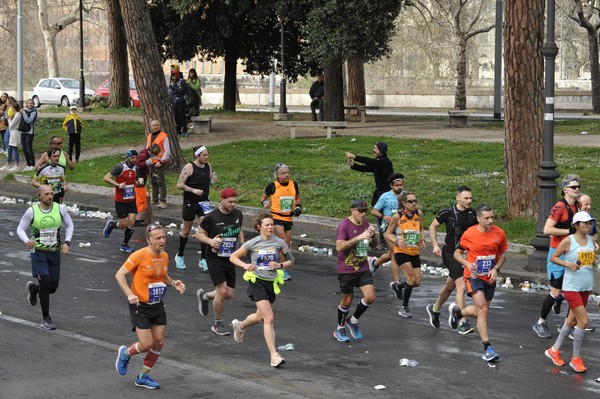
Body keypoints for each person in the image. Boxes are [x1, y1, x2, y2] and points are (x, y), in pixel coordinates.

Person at [114, 223, 186, 389]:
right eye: (158, 238)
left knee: (159, 342)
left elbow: (162, 277)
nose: (162, 241)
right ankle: (126, 354)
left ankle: (142, 376)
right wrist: (129, 294)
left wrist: (174, 283)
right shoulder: (139, 255)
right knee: (146, 344)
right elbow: (119, 275)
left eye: (164, 237)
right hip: (140, 304)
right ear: (148, 240)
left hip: (157, 304)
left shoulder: (165, 256)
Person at [229, 213, 294, 368]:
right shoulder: (253, 243)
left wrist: (279, 265)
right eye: (267, 225)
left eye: (272, 224)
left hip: (270, 283)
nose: (270, 227)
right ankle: (274, 355)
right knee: (269, 318)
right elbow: (233, 257)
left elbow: (291, 261)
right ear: (259, 227)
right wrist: (245, 266)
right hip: (256, 282)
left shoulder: (279, 242)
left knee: (259, 317)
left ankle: (240, 326)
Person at [450, 204, 508, 362]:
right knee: (482, 309)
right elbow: (457, 253)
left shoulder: (499, 233)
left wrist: (496, 268)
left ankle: (458, 313)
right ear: (478, 219)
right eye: (487, 218)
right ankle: (487, 347)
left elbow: (503, 255)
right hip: (473, 276)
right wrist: (466, 263)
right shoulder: (469, 234)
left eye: (492, 217)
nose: (491, 221)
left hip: (490, 277)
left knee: (483, 310)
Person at [544, 211, 596, 373]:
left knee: (571, 322)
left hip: (586, 286)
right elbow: (554, 258)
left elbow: (589, 260)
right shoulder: (568, 241)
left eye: (590, 223)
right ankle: (575, 358)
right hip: (571, 287)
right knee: (584, 322)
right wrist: (568, 265)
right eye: (585, 223)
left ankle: (554, 350)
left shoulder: (591, 240)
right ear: (575, 225)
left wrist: (595, 260)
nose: (589, 225)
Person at [17, 184, 74, 330]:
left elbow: (70, 225)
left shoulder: (60, 209)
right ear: (39, 196)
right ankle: (46, 318)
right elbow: (20, 229)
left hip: (54, 253)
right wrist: (27, 241)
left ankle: (34, 289)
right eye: (46, 194)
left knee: (52, 287)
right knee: (46, 281)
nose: (49, 197)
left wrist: (67, 242)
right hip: (38, 253)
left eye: (51, 194)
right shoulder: (32, 212)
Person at [533, 174, 582, 339]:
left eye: (578, 187)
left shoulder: (579, 206)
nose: (577, 190)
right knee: (556, 290)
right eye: (574, 187)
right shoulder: (559, 207)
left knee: (574, 290)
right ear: (565, 189)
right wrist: (568, 232)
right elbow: (547, 230)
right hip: (558, 254)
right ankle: (540, 322)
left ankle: (568, 325)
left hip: (573, 253)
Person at [426, 186, 478, 334]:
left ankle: (434, 309)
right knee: (461, 285)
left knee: (450, 285)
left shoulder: (473, 214)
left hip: (465, 254)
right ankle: (461, 320)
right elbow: (432, 226)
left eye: (470, 198)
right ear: (458, 198)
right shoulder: (447, 212)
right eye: (466, 198)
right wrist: (435, 245)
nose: (469, 201)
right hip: (450, 252)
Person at [194, 188, 244, 335]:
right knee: (221, 291)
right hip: (214, 258)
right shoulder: (211, 217)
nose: (233, 205)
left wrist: (242, 245)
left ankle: (205, 296)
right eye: (230, 202)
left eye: (235, 202)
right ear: (221, 200)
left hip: (230, 257)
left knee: (229, 294)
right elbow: (198, 234)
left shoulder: (238, 214)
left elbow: (238, 229)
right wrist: (210, 241)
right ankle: (217, 323)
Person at [332, 200, 377, 342]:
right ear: (352, 210)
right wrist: (359, 237)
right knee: (347, 300)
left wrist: (373, 235)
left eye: (365, 211)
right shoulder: (344, 225)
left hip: (363, 267)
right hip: (346, 269)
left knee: (370, 297)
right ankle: (339, 329)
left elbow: (374, 245)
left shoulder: (365, 224)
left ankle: (354, 320)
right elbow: (339, 247)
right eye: (360, 211)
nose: (364, 214)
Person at [384, 191, 426, 318]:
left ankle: (398, 287)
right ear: (403, 203)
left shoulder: (419, 214)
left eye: (415, 201)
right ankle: (404, 307)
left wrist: (422, 240)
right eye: (410, 201)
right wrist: (397, 240)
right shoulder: (397, 216)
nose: (414, 203)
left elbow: (421, 229)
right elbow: (388, 233)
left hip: (414, 251)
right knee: (411, 279)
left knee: (417, 282)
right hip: (401, 251)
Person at [174, 145, 216, 270]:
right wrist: (193, 190)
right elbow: (179, 184)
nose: (207, 157)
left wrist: (213, 180)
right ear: (197, 155)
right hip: (190, 202)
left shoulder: (208, 166)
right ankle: (180, 255)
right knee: (186, 231)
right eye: (204, 155)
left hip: (204, 202)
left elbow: (209, 181)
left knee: (204, 230)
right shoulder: (189, 167)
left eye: (207, 155)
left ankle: (203, 259)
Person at [346, 142, 394, 247]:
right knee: (381, 220)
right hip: (380, 195)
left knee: (384, 220)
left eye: (376, 148)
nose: (373, 150)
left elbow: (370, 162)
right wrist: (353, 165)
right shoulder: (378, 162)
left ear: (381, 150)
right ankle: (384, 243)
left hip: (386, 196)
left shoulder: (385, 162)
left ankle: (387, 243)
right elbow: (366, 168)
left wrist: (355, 156)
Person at [259, 163, 302, 281]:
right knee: (283, 242)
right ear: (277, 175)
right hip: (276, 217)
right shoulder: (273, 186)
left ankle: (273, 263)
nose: (287, 175)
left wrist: (298, 207)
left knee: (286, 245)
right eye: (283, 173)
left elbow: (298, 197)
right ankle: (282, 271)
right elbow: (262, 197)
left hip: (288, 218)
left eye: (288, 172)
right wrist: (264, 203)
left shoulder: (294, 184)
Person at [102, 150, 141, 253]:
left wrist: (138, 182)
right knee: (123, 224)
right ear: (128, 157)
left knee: (132, 222)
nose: (134, 160)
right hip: (121, 200)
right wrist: (118, 185)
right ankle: (112, 225)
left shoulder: (136, 168)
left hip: (132, 199)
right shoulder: (120, 167)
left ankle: (125, 245)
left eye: (136, 157)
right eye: (132, 157)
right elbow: (106, 178)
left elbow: (135, 180)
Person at [369, 173, 404, 279]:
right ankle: (396, 283)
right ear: (391, 186)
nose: (400, 187)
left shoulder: (405, 196)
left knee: (390, 254)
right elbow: (374, 211)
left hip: (400, 228)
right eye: (397, 185)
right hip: (388, 228)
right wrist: (383, 216)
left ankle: (374, 263)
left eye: (401, 185)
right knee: (395, 254)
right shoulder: (385, 196)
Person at [146, 120, 171, 209]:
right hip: (151, 162)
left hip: (159, 162)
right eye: (153, 125)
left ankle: (163, 201)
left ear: (159, 126)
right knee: (153, 181)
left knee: (161, 182)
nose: (155, 127)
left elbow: (167, 151)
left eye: (157, 125)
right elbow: (147, 148)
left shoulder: (164, 137)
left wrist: (161, 162)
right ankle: (155, 198)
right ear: (151, 126)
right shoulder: (149, 136)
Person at [2, 102, 22, 171]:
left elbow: (11, 126)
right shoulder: (17, 114)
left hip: (15, 132)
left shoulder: (17, 115)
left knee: (14, 148)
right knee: (10, 149)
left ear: (14, 108)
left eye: (12, 108)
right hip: (13, 132)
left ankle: (17, 165)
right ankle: (7, 164)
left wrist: (8, 119)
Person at [169, 70, 189, 137]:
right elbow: (171, 91)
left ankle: (185, 130)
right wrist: (175, 89)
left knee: (181, 115)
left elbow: (181, 90)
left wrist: (175, 87)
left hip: (181, 101)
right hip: (175, 101)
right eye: (172, 76)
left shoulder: (182, 81)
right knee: (176, 116)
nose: (173, 77)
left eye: (174, 75)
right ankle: (178, 129)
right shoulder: (173, 82)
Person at [20, 98, 38, 171]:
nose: (30, 104)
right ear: (26, 104)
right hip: (23, 132)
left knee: (29, 149)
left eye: (31, 103)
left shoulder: (34, 112)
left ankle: (33, 164)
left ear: (33, 104)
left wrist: (24, 113)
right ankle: (28, 164)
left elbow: (28, 120)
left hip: (29, 132)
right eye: (29, 103)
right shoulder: (25, 111)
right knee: (24, 149)